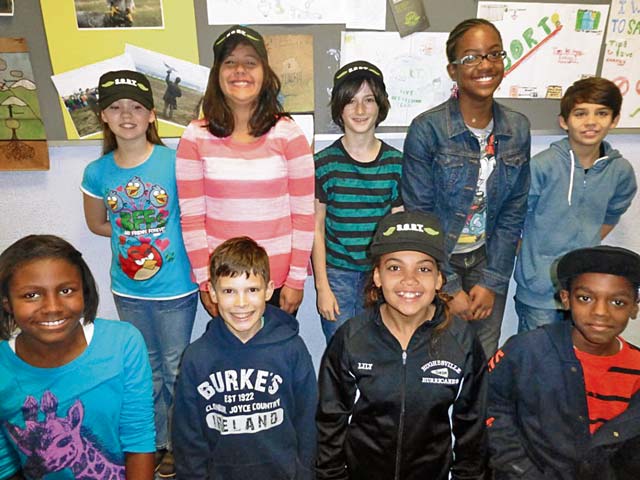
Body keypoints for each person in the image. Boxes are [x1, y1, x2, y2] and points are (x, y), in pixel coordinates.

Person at [81, 69, 198, 478]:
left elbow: (193, 215)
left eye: (135, 107)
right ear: (104, 117)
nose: (126, 115)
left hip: (177, 288)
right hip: (128, 289)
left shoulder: (175, 162)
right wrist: (133, 237)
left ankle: (179, 442)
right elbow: (98, 223)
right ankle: (152, 442)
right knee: (144, 372)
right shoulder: (98, 173)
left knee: (176, 369)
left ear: (152, 115)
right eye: (115, 108)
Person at [316, 211, 487, 480]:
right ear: (377, 276)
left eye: (424, 269)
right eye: (395, 267)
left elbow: (472, 430)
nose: (410, 280)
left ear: (440, 279)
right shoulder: (351, 339)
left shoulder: (462, 343)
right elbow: (329, 424)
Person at [401, 18, 531, 358]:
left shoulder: (517, 128)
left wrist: (492, 281)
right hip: (439, 264)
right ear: (452, 70)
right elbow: (420, 214)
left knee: (480, 361)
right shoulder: (427, 129)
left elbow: (513, 211)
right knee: (431, 361)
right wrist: (449, 285)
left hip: (490, 261)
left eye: (493, 54)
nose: (485, 65)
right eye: (471, 57)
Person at [176, 25, 314, 317]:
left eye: (250, 62)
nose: (240, 70)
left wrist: (296, 279)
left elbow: (303, 216)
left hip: (276, 282)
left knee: (276, 359)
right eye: (230, 62)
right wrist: (205, 282)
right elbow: (191, 219)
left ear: (265, 72)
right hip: (224, 283)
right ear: (217, 74)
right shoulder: (194, 136)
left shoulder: (288, 133)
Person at [0, 234, 155, 480]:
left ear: (84, 291)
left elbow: (139, 441)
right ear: (7, 303)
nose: (52, 307)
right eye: (31, 295)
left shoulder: (122, 343)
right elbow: (6, 467)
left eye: (66, 290)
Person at [487, 245, 640, 479]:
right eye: (586, 298)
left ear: (634, 307)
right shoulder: (527, 350)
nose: (600, 312)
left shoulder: (636, 367)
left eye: (617, 302)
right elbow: (491, 406)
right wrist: (520, 470)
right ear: (566, 299)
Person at [172, 236, 317, 479]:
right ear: (213, 293)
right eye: (229, 291)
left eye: (252, 290)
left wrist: (304, 473)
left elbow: (308, 422)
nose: (241, 303)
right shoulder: (196, 358)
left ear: (269, 290)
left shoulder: (292, 349)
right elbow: (188, 437)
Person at [514, 77, 637, 332]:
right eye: (581, 113)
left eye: (601, 113)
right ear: (564, 121)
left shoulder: (620, 171)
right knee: (537, 358)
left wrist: (585, 243)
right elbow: (514, 218)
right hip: (539, 293)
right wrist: (532, 259)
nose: (591, 122)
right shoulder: (542, 166)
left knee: (578, 358)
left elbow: (613, 213)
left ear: (614, 120)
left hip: (586, 290)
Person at [312, 60, 403, 344]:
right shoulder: (323, 163)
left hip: (379, 275)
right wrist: (322, 287)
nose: (360, 110)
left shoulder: (396, 164)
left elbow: (398, 228)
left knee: (379, 349)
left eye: (369, 100)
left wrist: (394, 280)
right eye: (351, 101)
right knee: (341, 350)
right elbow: (316, 227)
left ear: (381, 106)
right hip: (337, 275)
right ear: (339, 108)